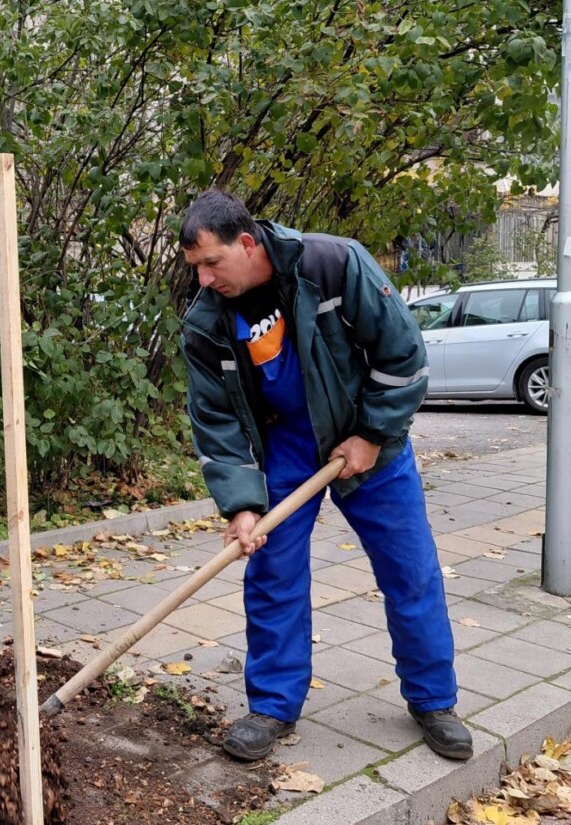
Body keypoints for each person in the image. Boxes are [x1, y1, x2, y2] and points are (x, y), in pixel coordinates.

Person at [177, 189, 471, 762]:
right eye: (196, 268)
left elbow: (402, 356)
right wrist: (241, 505)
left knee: (410, 571)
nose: (206, 279)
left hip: (364, 438)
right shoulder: (207, 323)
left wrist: (372, 434)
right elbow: (215, 423)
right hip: (286, 444)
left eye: (212, 263)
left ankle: (434, 701)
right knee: (272, 575)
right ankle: (272, 706)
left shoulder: (331, 264)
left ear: (246, 242)